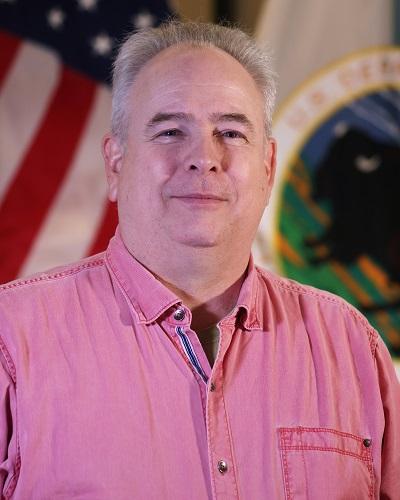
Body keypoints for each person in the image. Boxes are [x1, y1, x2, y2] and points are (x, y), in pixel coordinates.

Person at [0, 20, 399, 500]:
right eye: (170, 131)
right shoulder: (12, 342)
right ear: (115, 164)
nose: (204, 158)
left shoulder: (352, 348)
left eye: (230, 132)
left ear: (269, 168)